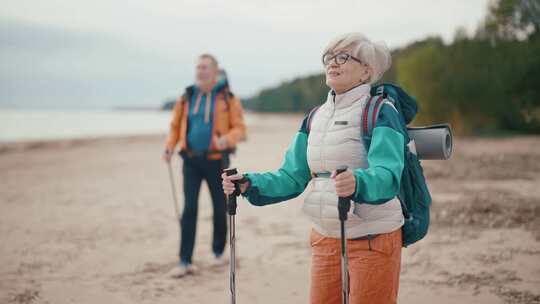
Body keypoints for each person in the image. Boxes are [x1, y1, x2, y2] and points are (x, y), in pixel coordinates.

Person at [222, 33, 403, 303]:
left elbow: (389, 176)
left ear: (367, 70)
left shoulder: (381, 110)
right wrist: (249, 183)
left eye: (343, 57)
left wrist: (358, 182)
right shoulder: (315, 117)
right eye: (328, 58)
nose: (332, 63)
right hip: (325, 238)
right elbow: (291, 177)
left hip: (373, 239)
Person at [164, 54, 247, 278]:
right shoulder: (187, 97)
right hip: (190, 159)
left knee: (220, 207)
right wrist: (169, 147)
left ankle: (218, 253)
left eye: (205, 68)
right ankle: (184, 260)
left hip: (217, 161)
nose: (200, 71)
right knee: (189, 208)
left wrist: (227, 139)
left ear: (215, 71)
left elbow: (240, 129)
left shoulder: (228, 98)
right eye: (198, 67)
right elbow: (174, 126)